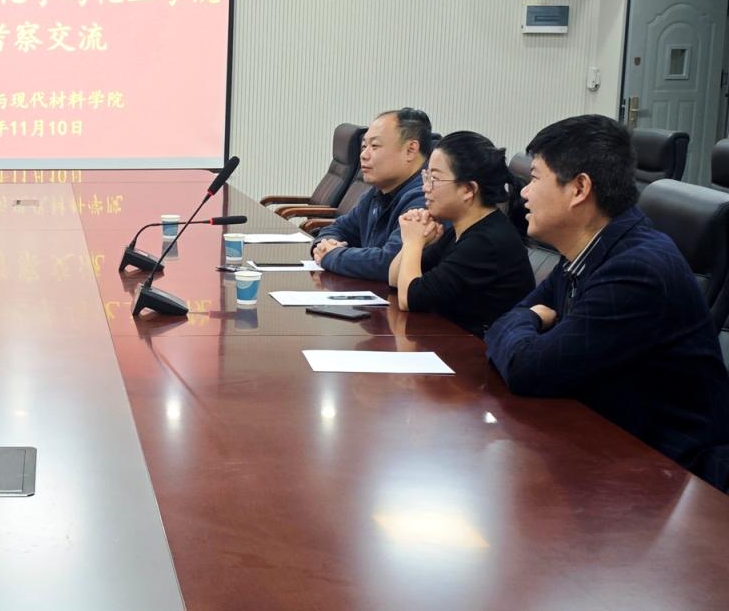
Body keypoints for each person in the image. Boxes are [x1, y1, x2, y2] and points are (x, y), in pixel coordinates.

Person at [484, 115, 729, 490]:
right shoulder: (590, 249)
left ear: (579, 188)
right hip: (610, 447)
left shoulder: (636, 272)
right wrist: (526, 321)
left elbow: (526, 369)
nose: (524, 193)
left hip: (675, 479)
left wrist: (527, 321)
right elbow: (503, 325)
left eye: (534, 179)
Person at [388, 131, 535, 336]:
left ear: (468, 189)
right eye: (426, 177)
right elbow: (395, 280)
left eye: (434, 179)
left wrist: (413, 242)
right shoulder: (461, 230)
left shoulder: (486, 242)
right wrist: (413, 242)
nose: (425, 187)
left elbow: (409, 299)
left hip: (481, 350)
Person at [310, 107, 431, 281]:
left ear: (411, 150)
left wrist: (332, 255)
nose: (363, 155)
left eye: (374, 146)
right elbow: (338, 228)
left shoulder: (425, 198)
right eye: (364, 146)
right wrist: (325, 244)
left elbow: (390, 262)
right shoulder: (378, 192)